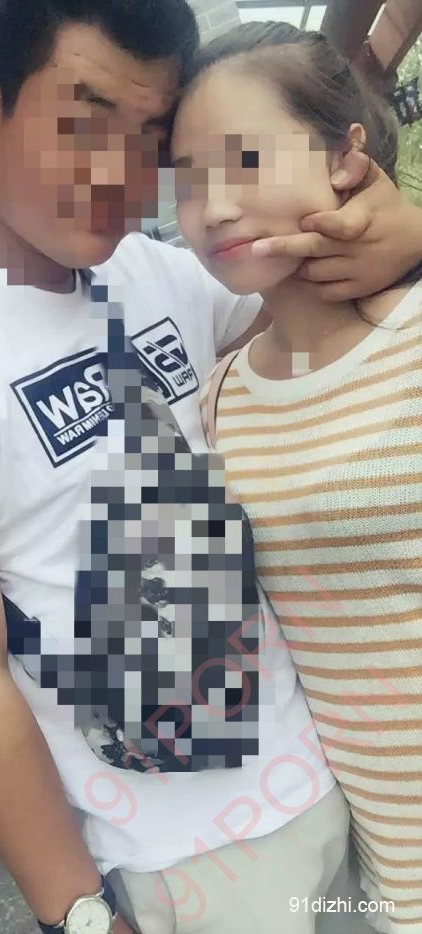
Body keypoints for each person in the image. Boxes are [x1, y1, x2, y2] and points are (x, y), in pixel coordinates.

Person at [0, 2, 422, 932]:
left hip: (337, 785)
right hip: (191, 858)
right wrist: (76, 915)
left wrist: (404, 228)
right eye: (83, 123)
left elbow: (323, 279)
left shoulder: (156, 274)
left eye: (150, 140)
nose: (118, 174)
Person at [169, 20, 422, 933]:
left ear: (346, 157)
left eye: (245, 162)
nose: (214, 209)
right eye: (188, 182)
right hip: (387, 868)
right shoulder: (219, 402)